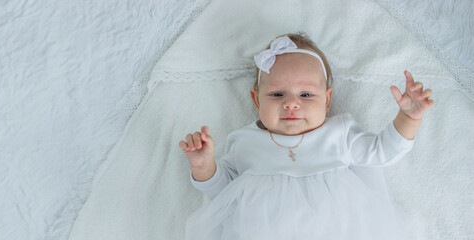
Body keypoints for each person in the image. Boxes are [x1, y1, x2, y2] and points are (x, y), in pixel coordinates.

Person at [178, 32, 435, 239]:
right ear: (256, 101)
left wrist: (408, 118)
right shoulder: (245, 141)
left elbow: (381, 152)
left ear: (327, 100)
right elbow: (223, 193)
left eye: (306, 95)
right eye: (277, 94)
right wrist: (204, 165)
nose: (292, 104)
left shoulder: (339, 133)